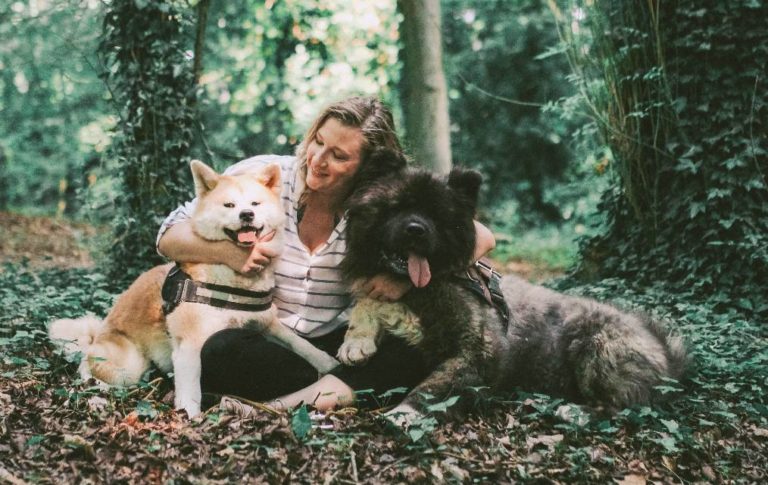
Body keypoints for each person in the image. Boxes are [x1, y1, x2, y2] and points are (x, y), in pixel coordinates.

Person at [157, 96, 496, 412]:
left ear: (365, 165)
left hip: (339, 341)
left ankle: (283, 403)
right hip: (266, 335)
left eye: (339, 155)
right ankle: (333, 393)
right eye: (318, 141)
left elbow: (481, 237)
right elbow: (169, 236)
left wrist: (406, 281)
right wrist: (228, 254)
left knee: (409, 352)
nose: (318, 160)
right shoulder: (263, 175)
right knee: (219, 349)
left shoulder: (378, 200)